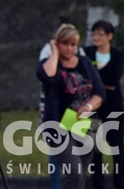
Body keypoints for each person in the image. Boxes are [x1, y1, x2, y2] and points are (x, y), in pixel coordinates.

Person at [37, 24, 105, 189]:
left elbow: (99, 92)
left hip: (82, 124)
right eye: (65, 44)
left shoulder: (84, 63)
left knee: (80, 174)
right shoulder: (50, 64)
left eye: (73, 45)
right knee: (74, 172)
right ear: (57, 43)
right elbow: (47, 76)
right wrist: (54, 53)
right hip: (57, 127)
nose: (69, 48)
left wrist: (88, 106)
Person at [84, 20, 124, 189]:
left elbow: (114, 80)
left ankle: (120, 185)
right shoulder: (87, 54)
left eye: (100, 34)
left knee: (117, 149)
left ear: (110, 36)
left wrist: (96, 80)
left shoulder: (117, 55)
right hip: (93, 109)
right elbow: (85, 77)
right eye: (94, 34)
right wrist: (100, 82)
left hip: (114, 108)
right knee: (95, 151)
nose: (96, 38)